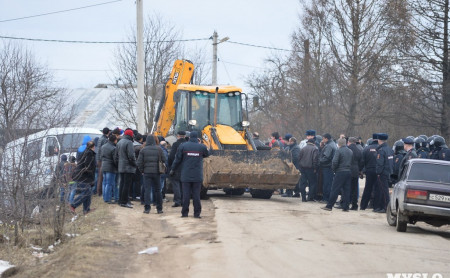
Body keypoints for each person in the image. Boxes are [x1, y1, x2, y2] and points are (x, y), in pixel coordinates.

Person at [170, 131, 209, 218]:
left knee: (186, 195)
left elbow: (177, 159)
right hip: (197, 175)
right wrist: (200, 144)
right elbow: (207, 154)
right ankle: (197, 214)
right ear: (197, 138)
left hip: (185, 175)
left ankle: (184, 213)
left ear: (189, 137)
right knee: (196, 195)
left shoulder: (183, 146)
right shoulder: (201, 147)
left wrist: (172, 169)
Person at [321, 138, 353, 211]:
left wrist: (334, 170)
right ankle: (346, 207)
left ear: (339, 144)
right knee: (347, 190)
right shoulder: (350, 151)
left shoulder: (339, 151)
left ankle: (329, 206)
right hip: (348, 172)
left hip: (340, 171)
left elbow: (334, 162)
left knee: (335, 189)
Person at [137, 135, 165, 214]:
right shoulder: (159, 149)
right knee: (158, 190)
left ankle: (147, 208)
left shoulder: (143, 150)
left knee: (147, 190)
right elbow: (164, 159)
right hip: (157, 172)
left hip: (147, 172)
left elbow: (139, 162)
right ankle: (159, 209)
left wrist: (142, 170)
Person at [70, 141, 96, 215]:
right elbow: (88, 166)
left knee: (88, 192)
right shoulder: (89, 153)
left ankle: (86, 210)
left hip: (82, 175)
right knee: (87, 192)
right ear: (93, 147)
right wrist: (90, 171)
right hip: (83, 176)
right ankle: (73, 205)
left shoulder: (85, 152)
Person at [115, 129, 137, 208]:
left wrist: (118, 164)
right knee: (126, 185)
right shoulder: (129, 143)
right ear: (131, 135)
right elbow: (131, 156)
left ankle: (121, 200)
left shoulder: (119, 142)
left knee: (122, 184)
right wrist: (135, 164)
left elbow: (116, 156)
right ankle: (124, 201)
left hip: (121, 166)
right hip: (128, 167)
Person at [374, 133, 392, 213]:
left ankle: (385, 207)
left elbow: (380, 163)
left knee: (384, 191)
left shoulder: (381, 150)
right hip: (387, 172)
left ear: (379, 140)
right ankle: (382, 206)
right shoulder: (389, 149)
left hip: (382, 173)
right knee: (384, 190)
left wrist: (378, 172)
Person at [360, 134, 379, 210]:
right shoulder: (380, 148)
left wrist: (361, 170)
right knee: (377, 188)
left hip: (369, 170)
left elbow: (362, 161)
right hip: (378, 171)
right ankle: (376, 206)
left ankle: (363, 206)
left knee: (368, 188)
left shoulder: (366, 148)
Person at [168, 131, 186, 208]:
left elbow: (171, 156)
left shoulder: (175, 144)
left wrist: (171, 167)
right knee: (184, 185)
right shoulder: (187, 144)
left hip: (176, 167)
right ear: (185, 136)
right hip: (186, 168)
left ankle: (177, 201)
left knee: (176, 185)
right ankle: (183, 201)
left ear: (178, 136)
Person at [319, 133, 337, 203]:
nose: (322, 140)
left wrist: (319, 161)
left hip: (327, 167)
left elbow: (326, 157)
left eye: (323, 138)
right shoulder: (332, 144)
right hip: (330, 166)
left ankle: (326, 198)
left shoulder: (329, 146)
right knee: (329, 183)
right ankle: (327, 198)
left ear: (326, 138)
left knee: (327, 183)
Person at [101, 134, 118, 204]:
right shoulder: (113, 148)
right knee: (109, 183)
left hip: (104, 165)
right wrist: (117, 166)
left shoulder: (103, 146)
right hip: (110, 167)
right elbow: (115, 159)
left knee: (104, 183)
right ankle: (108, 199)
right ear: (114, 140)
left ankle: (105, 197)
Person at [347, 137, 363, 210]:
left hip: (348, 169)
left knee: (346, 187)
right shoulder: (359, 150)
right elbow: (361, 161)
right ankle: (354, 205)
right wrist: (360, 170)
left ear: (349, 142)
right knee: (354, 188)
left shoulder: (348, 149)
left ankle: (345, 203)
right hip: (356, 170)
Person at [96, 127, 110, 196]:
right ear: (108, 132)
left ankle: (98, 191)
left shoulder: (100, 138)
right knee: (102, 176)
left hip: (98, 159)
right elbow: (105, 150)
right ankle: (100, 192)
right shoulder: (105, 140)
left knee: (99, 176)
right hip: (102, 159)